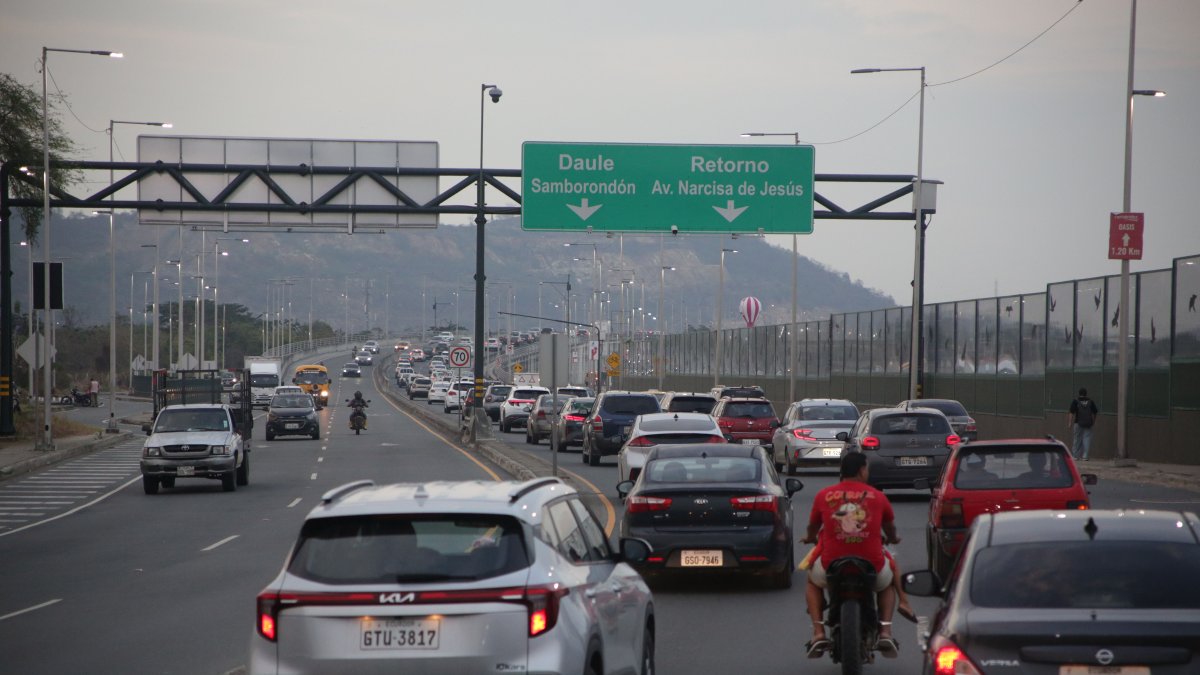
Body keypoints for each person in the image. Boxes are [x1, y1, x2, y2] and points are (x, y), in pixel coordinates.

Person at [802, 451, 911, 659]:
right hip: (872, 566)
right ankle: (885, 631)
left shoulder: (824, 495)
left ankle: (818, 632)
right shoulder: (878, 496)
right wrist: (893, 538)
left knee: (811, 580)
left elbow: (813, 527)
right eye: (867, 468)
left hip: (831, 565)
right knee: (887, 583)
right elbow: (890, 528)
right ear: (862, 470)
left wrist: (809, 538)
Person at [1068, 388, 1098, 460]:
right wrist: (1093, 421)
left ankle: (1075, 455)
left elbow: (1071, 412)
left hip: (1078, 423)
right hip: (1088, 423)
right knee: (1087, 439)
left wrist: (1069, 422)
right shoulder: (1091, 401)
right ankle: (1085, 456)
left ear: (1079, 393)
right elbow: (1095, 412)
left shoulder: (1075, 401)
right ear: (1086, 394)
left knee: (1077, 439)